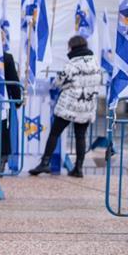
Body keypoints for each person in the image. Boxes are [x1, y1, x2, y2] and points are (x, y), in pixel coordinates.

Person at [28, 35, 104, 178]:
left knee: (55, 133)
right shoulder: (95, 63)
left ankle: (45, 162)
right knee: (80, 136)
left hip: (68, 105)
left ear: (72, 47)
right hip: (87, 105)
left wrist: (67, 85)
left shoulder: (72, 64)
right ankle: (79, 167)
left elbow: (58, 82)